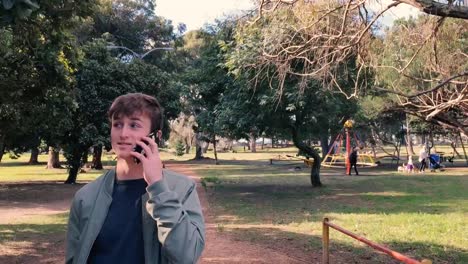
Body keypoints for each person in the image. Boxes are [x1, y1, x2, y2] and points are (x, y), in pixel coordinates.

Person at [65, 93, 205, 264]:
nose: (123, 133)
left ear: (156, 136)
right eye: (117, 124)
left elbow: (187, 255)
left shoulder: (181, 189)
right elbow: (74, 257)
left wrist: (158, 187)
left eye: (134, 125)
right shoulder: (85, 197)